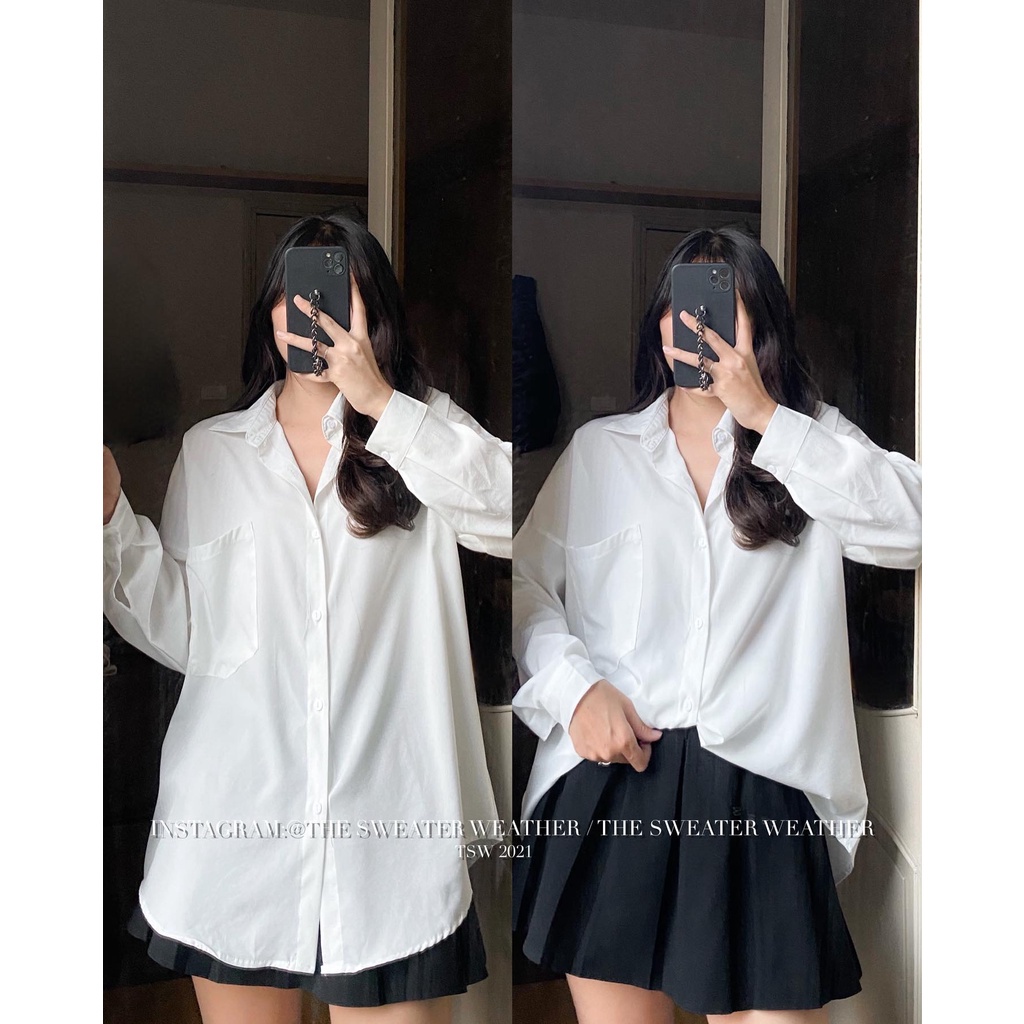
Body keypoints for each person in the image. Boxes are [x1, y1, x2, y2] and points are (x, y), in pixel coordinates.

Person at [103, 212, 512, 1024]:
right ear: (269, 313)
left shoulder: (424, 429)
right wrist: (109, 519)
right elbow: (187, 633)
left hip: (389, 846)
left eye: (337, 295)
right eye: (296, 295)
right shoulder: (214, 451)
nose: (314, 314)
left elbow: (510, 513)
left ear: (375, 317)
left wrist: (381, 403)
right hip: (231, 839)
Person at [510, 227, 922, 1024]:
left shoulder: (810, 441)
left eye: (720, 308)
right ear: (658, 324)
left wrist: (766, 415)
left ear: (761, 328)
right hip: (617, 774)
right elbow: (527, 588)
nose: (694, 326)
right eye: (679, 306)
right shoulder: (600, 453)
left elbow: (916, 525)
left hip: (760, 785)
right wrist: (573, 689)